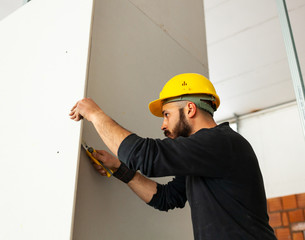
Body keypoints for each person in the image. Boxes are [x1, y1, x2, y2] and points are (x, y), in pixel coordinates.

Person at [70, 73, 277, 240]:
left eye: (167, 114)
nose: (163, 124)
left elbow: (145, 156)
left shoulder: (221, 143)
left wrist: (95, 115)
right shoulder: (204, 155)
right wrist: (119, 169)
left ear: (190, 109)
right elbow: (166, 197)